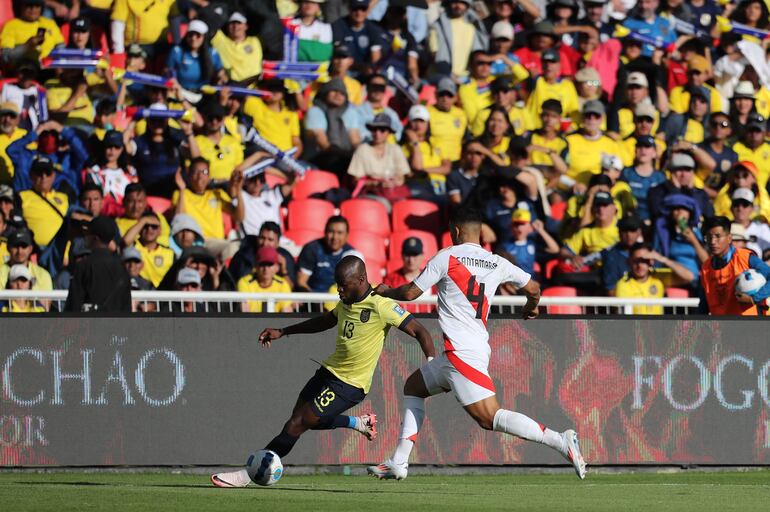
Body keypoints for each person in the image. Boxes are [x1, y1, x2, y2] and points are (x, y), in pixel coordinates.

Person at [368, 208, 585, 480]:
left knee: (489, 418)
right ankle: (399, 461)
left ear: (456, 231)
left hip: (462, 354)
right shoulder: (496, 262)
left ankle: (560, 440)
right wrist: (531, 308)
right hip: (462, 352)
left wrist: (387, 291)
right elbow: (534, 288)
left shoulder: (446, 257)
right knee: (413, 387)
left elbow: (411, 292)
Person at [211, 255, 435, 488]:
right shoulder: (346, 302)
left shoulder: (382, 305)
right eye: (337, 283)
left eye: (343, 284)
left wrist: (429, 366)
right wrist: (283, 331)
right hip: (328, 372)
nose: (338, 289)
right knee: (301, 421)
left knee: (297, 424)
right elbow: (325, 321)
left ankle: (248, 474)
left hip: (350, 384)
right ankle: (359, 423)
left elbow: (420, 332)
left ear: (360, 279)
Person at [172, 157, 244, 260]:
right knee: (233, 247)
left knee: (240, 247)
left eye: (204, 172)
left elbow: (239, 217)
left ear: (209, 176)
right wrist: (182, 190)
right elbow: (177, 220)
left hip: (218, 243)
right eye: (196, 172)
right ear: (189, 175)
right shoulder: (181, 194)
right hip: (197, 241)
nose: (200, 176)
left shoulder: (216, 194)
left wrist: (238, 190)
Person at [699, 216, 770, 315]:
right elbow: (703, 306)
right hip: (722, 328)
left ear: (729, 238)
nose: (712, 242)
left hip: (751, 327)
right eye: (709, 237)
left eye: (718, 236)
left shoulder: (745, 258)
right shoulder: (705, 268)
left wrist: (754, 298)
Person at [64, 216, 131, 313]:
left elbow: (74, 304)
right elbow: (126, 306)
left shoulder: (83, 266)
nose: (85, 236)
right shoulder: (122, 268)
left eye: (87, 233)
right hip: (115, 325)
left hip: (89, 324)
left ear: (95, 238)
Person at [347, 113, 411, 210]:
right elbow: (355, 180)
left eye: (382, 130)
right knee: (384, 205)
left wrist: (395, 182)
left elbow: (402, 176)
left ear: (388, 133)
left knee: (404, 205)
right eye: (374, 129)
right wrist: (377, 184)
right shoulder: (363, 149)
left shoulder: (395, 149)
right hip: (370, 192)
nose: (377, 133)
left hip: (392, 191)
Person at [614, 243, 694, 313]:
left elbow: (689, 277)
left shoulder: (658, 277)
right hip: (636, 328)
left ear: (651, 261)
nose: (640, 265)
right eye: (636, 261)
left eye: (644, 261)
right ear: (629, 261)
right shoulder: (623, 284)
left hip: (658, 328)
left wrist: (662, 259)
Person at [83, 130, 138, 217]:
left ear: (122, 149)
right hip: (103, 217)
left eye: (116, 147)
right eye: (109, 146)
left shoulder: (130, 172)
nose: (112, 150)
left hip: (127, 216)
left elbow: (136, 196)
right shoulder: (93, 172)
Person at [428, 0, 489, 78]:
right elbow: (434, 53)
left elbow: (477, 54)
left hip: (464, 78)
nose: (458, 6)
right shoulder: (437, 26)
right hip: (440, 76)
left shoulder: (472, 28)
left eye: (462, 3)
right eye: (455, 2)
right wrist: (448, 74)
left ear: (467, 6)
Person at [297, 216, 355, 293]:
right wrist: (317, 303)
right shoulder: (311, 249)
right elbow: (301, 283)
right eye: (331, 232)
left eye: (339, 233)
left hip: (340, 301)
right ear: (325, 232)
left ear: (347, 235)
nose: (335, 237)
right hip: (313, 300)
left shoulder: (352, 254)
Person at [166, 19, 225, 91]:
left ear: (204, 37)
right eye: (190, 35)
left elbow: (221, 72)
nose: (193, 38)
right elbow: (167, 73)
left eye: (198, 35)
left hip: (205, 93)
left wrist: (221, 78)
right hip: (180, 91)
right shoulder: (177, 51)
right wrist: (171, 82)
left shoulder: (213, 53)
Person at [332, 0, 387, 77]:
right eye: (355, 9)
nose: (359, 13)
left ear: (367, 10)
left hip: (365, 71)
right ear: (349, 9)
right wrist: (359, 67)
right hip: (345, 69)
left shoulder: (373, 29)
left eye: (363, 9)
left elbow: (376, 58)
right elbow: (338, 57)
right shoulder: (338, 26)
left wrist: (371, 69)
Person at [498, 209, 559, 278]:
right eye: (516, 224)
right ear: (511, 226)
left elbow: (555, 249)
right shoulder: (505, 246)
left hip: (531, 282)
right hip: (513, 283)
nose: (519, 228)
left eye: (522, 224)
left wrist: (541, 231)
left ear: (529, 226)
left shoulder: (532, 243)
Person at [620, 135, 666, 221]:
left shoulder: (660, 177)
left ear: (654, 153)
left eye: (647, 147)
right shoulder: (625, 173)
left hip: (653, 221)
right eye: (640, 146)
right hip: (629, 221)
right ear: (635, 150)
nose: (643, 150)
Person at [0, 0, 64, 61]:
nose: (33, 9)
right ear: (21, 6)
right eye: (29, 5)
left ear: (41, 7)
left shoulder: (50, 23)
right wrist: (27, 46)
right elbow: (6, 57)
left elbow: (61, 47)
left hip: (49, 67)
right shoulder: (11, 26)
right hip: (24, 67)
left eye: (37, 5)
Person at [237, 247, 294, 313]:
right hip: (251, 322)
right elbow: (245, 311)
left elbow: (286, 312)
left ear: (277, 267)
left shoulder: (283, 284)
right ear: (256, 266)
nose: (266, 269)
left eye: (270, 265)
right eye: (262, 264)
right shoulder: (244, 282)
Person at [210, 11, 264, 83]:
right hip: (232, 87)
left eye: (239, 23)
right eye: (232, 23)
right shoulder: (220, 40)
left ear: (246, 26)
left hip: (255, 85)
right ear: (227, 26)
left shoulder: (255, 41)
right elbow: (210, 24)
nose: (235, 26)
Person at [428, 77, 468, 163]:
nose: (445, 99)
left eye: (449, 95)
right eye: (442, 94)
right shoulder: (427, 113)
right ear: (435, 95)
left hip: (456, 161)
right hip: (435, 161)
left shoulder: (461, 114)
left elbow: (465, 139)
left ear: (455, 97)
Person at [601, 215, 644, 294]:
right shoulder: (611, 257)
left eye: (632, 230)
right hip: (624, 303)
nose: (628, 235)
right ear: (619, 233)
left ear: (639, 232)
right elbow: (611, 291)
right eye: (624, 231)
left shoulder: (647, 253)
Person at [730, 188, 770, 258]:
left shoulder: (762, 228)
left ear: (752, 208)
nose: (740, 208)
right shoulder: (724, 229)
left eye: (745, 204)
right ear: (731, 208)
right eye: (736, 204)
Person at [0, 102, 26, 186]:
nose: (7, 120)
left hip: (24, 185)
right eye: (3, 115)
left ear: (18, 119)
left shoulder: (26, 136)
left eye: (12, 116)